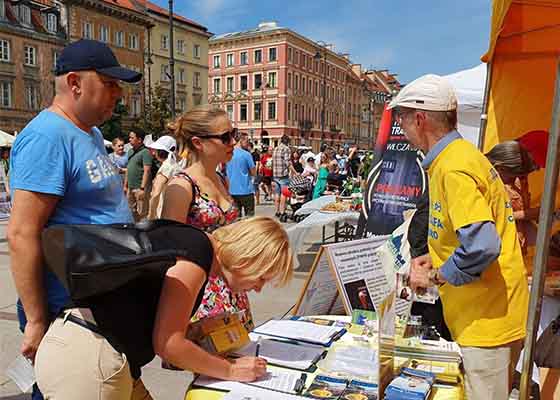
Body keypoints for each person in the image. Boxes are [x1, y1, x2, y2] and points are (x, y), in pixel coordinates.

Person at [7, 39, 142, 400]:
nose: (119, 95)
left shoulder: (92, 133)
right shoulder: (47, 136)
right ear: (75, 83)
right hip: (64, 306)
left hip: (99, 297)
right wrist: (36, 320)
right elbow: (22, 233)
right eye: (110, 84)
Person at [35, 217, 293, 399]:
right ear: (250, 258)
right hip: (91, 362)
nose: (258, 288)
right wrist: (231, 370)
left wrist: (190, 330)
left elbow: (143, 307)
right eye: (261, 278)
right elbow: (168, 345)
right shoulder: (197, 258)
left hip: (85, 348)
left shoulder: (193, 241)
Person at [391, 74, 529, 400]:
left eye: (402, 119)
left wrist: (437, 275)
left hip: (487, 322)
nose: (402, 128)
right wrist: (436, 258)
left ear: (420, 119)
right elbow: (464, 233)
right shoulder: (454, 159)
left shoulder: (454, 167)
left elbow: (482, 245)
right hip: (483, 315)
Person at [161, 105, 254, 329]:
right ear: (198, 143)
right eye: (225, 137)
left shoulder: (221, 179)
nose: (233, 142)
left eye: (235, 134)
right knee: (209, 360)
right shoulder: (181, 187)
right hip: (201, 294)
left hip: (230, 288)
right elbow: (170, 251)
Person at [485, 140, 540, 255]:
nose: (514, 181)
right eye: (512, 177)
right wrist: (523, 215)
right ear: (499, 168)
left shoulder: (509, 181)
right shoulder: (483, 183)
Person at [147, 135, 182, 220]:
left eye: (156, 150)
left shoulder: (166, 167)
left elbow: (156, 193)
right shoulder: (175, 166)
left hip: (162, 213)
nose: (153, 153)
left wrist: (151, 215)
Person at [125, 127, 153, 222]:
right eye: (129, 137)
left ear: (139, 139)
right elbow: (129, 169)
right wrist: (126, 185)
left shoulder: (146, 152)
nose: (129, 140)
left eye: (132, 138)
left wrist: (142, 189)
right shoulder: (130, 151)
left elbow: (147, 171)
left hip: (140, 188)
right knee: (130, 211)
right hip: (130, 187)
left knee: (142, 213)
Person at [226, 132, 256, 217]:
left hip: (232, 190)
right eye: (247, 140)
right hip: (246, 190)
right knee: (249, 217)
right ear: (241, 140)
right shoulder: (246, 154)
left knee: (236, 217)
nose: (248, 143)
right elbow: (253, 172)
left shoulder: (228, 154)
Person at [272, 135, 296, 219]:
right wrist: (295, 172)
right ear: (287, 141)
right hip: (283, 175)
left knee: (276, 194)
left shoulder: (276, 148)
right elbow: (288, 162)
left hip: (275, 175)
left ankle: (277, 211)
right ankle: (282, 212)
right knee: (284, 194)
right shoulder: (286, 149)